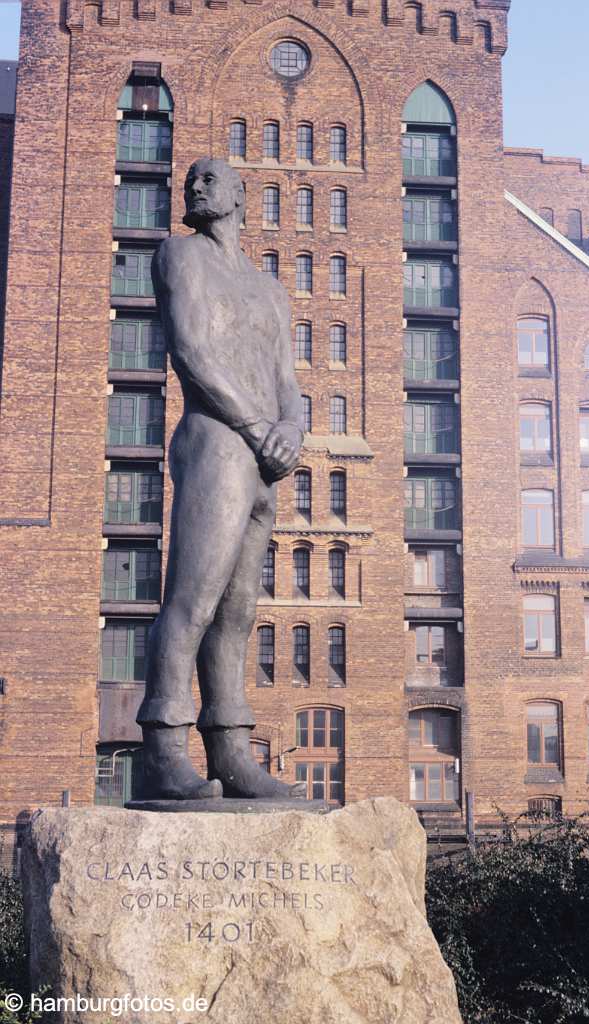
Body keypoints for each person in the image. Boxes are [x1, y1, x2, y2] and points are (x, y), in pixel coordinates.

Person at [135, 157, 305, 800]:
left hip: (264, 457)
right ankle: (163, 749)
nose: (196, 185)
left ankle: (231, 750)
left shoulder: (270, 289)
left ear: (240, 195)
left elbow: (289, 380)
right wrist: (258, 427)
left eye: (211, 178)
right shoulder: (179, 256)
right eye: (191, 180)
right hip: (216, 442)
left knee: (238, 613)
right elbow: (192, 353)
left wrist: (291, 428)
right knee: (192, 601)